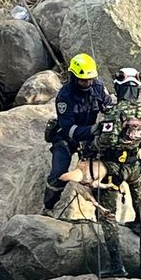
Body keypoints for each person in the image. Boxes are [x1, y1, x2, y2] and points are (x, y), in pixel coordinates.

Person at [92, 67, 141, 278]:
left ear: (119, 88)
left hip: (111, 168)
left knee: (106, 213)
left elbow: (105, 142)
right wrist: (132, 144)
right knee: (137, 192)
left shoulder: (114, 112)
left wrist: (93, 140)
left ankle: (116, 264)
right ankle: (139, 222)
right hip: (133, 166)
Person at [42, 53, 115, 215]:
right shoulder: (64, 97)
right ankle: (48, 207)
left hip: (90, 138)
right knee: (58, 173)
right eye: (83, 80)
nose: (87, 83)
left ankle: (102, 212)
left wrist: (111, 113)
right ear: (73, 77)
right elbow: (68, 128)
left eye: (90, 79)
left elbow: (109, 107)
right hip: (66, 138)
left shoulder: (98, 87)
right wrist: (93, 130)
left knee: (100, 172)